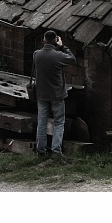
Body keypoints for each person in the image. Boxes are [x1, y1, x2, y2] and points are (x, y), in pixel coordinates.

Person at [32, 30, 77, 159]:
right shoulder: (59, 56)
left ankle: (41, 151)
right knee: (58, 122)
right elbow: (72, 59)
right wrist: (62, 46)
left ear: (44, 40)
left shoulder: (36, 55)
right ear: (55, 41)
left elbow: (41, 55)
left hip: (41, 94)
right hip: (57, 94)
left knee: (42, 122)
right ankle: (56, 151)